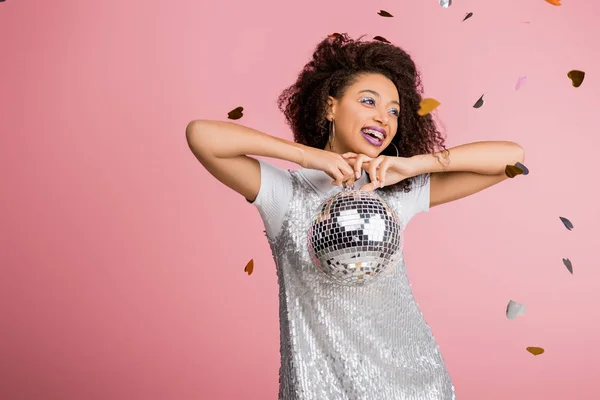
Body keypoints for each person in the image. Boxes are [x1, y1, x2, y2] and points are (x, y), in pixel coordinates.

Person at [186, 33, 525, 400]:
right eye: (369, 101)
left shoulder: (397, 193)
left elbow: (511, 158)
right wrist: (307, 156)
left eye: (394, 110)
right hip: (320, 388)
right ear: (329, 107)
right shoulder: (285, 194)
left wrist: (413, 166)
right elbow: (201, 135)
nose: (384, 117)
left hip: (416, 384)